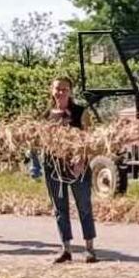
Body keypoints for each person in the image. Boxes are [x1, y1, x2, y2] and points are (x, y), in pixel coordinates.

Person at [44, 77, 97, 264]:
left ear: (70, 91)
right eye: (57, 89)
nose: (60, 92)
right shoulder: (46, 115)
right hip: (53, 165)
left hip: (77, 164)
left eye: (64, 89)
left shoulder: (81, 112)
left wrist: (81, 161)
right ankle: (66, 248)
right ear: (52, 90)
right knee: (59, 207)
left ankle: (90, 249)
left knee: (84, 205)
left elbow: (89, 140)